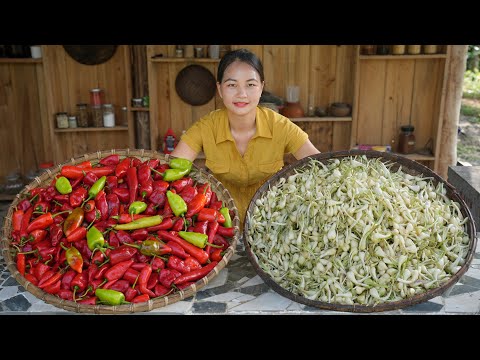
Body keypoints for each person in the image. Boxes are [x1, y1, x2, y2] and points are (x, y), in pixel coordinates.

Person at [170, 48, 320, 227]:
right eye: (232, 85)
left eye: (250, 84)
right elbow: (171, 169)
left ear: (261, 87)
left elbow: (319, 166)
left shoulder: (280, 126)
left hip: (271, 226)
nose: (242, 94)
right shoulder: (206, 127)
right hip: (220, 228)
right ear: (219, 89)